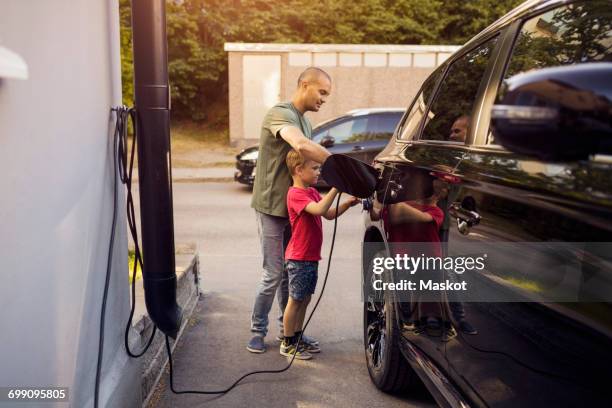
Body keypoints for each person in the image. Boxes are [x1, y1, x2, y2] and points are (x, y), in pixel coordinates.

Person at [247, 67, 333, 354]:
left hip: (294, 212)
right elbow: (299, 144)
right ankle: (257, 331)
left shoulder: (306, 123)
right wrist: (342, 166)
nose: (324, 99)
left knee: (289, 274)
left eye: (327, 95)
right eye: (321, 92)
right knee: (272, 274)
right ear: (304, 85)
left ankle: (290, 334)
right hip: (272, 208)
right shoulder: (280, 113)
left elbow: (307, 163)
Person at [280, 150, 359, 359]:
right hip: (299, 257)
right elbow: (319, 209)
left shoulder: (312, 192)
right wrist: (336, 188)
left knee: (305, 299)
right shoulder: (295, 194)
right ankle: (288, 342)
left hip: (311, 257)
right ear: (298, 170)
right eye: (314, 168)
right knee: (295, 300)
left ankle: (297, 335)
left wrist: (347, 204)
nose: (318, 172)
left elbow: (328, 214)